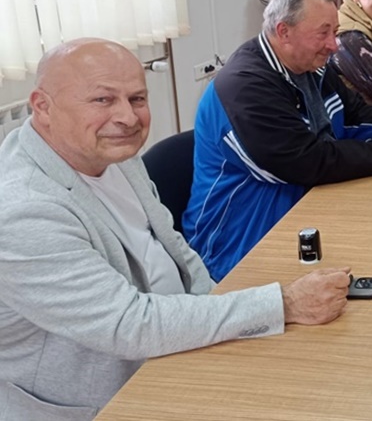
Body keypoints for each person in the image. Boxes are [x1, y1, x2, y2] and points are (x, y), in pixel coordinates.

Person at [0, 39, 353, 419]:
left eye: (137, 99)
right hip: (105, 400)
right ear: (42, 106)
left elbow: (177, 250)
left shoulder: (110, 153)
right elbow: (127, 324)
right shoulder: (24, 212)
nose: (128, 118)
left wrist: (234, 323)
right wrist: (282, 304)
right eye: (103, 100)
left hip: (174, 350)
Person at [185, 0, 372, 281]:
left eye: (334, 32)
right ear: (284, 32)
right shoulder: (245, 86)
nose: (334, 45)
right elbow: (306, 162)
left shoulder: (312, 65)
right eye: (323, 33)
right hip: (241, 246)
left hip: (307, 215)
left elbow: (355, 113)